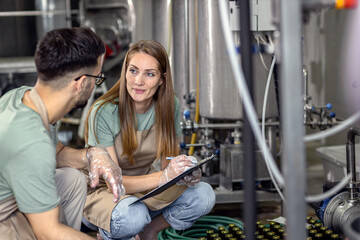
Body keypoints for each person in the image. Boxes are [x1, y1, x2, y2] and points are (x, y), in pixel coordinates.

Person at [82, 40, 216, 240]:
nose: (138, 81)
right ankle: (110, 230)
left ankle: (150, 230)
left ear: (161, 79)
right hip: (105, 194)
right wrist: (164, 177)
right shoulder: (104, 111)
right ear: (125, 71)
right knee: (131, 216)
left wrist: (182, 173)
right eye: (133, 71)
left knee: (203, 195)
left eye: (149, 74)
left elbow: (166, 162)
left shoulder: (170, 105)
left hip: (144, 189)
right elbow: (113, 183)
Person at [0, 27, 125, 240]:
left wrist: (92, 154)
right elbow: (48, 232)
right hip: (4, 212)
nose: (96, 84)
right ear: (81, 82)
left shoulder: (22, 97)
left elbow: (56, 155)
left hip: (12, 189)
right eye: (97, 78)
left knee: (73, 180)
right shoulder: (31, 142)